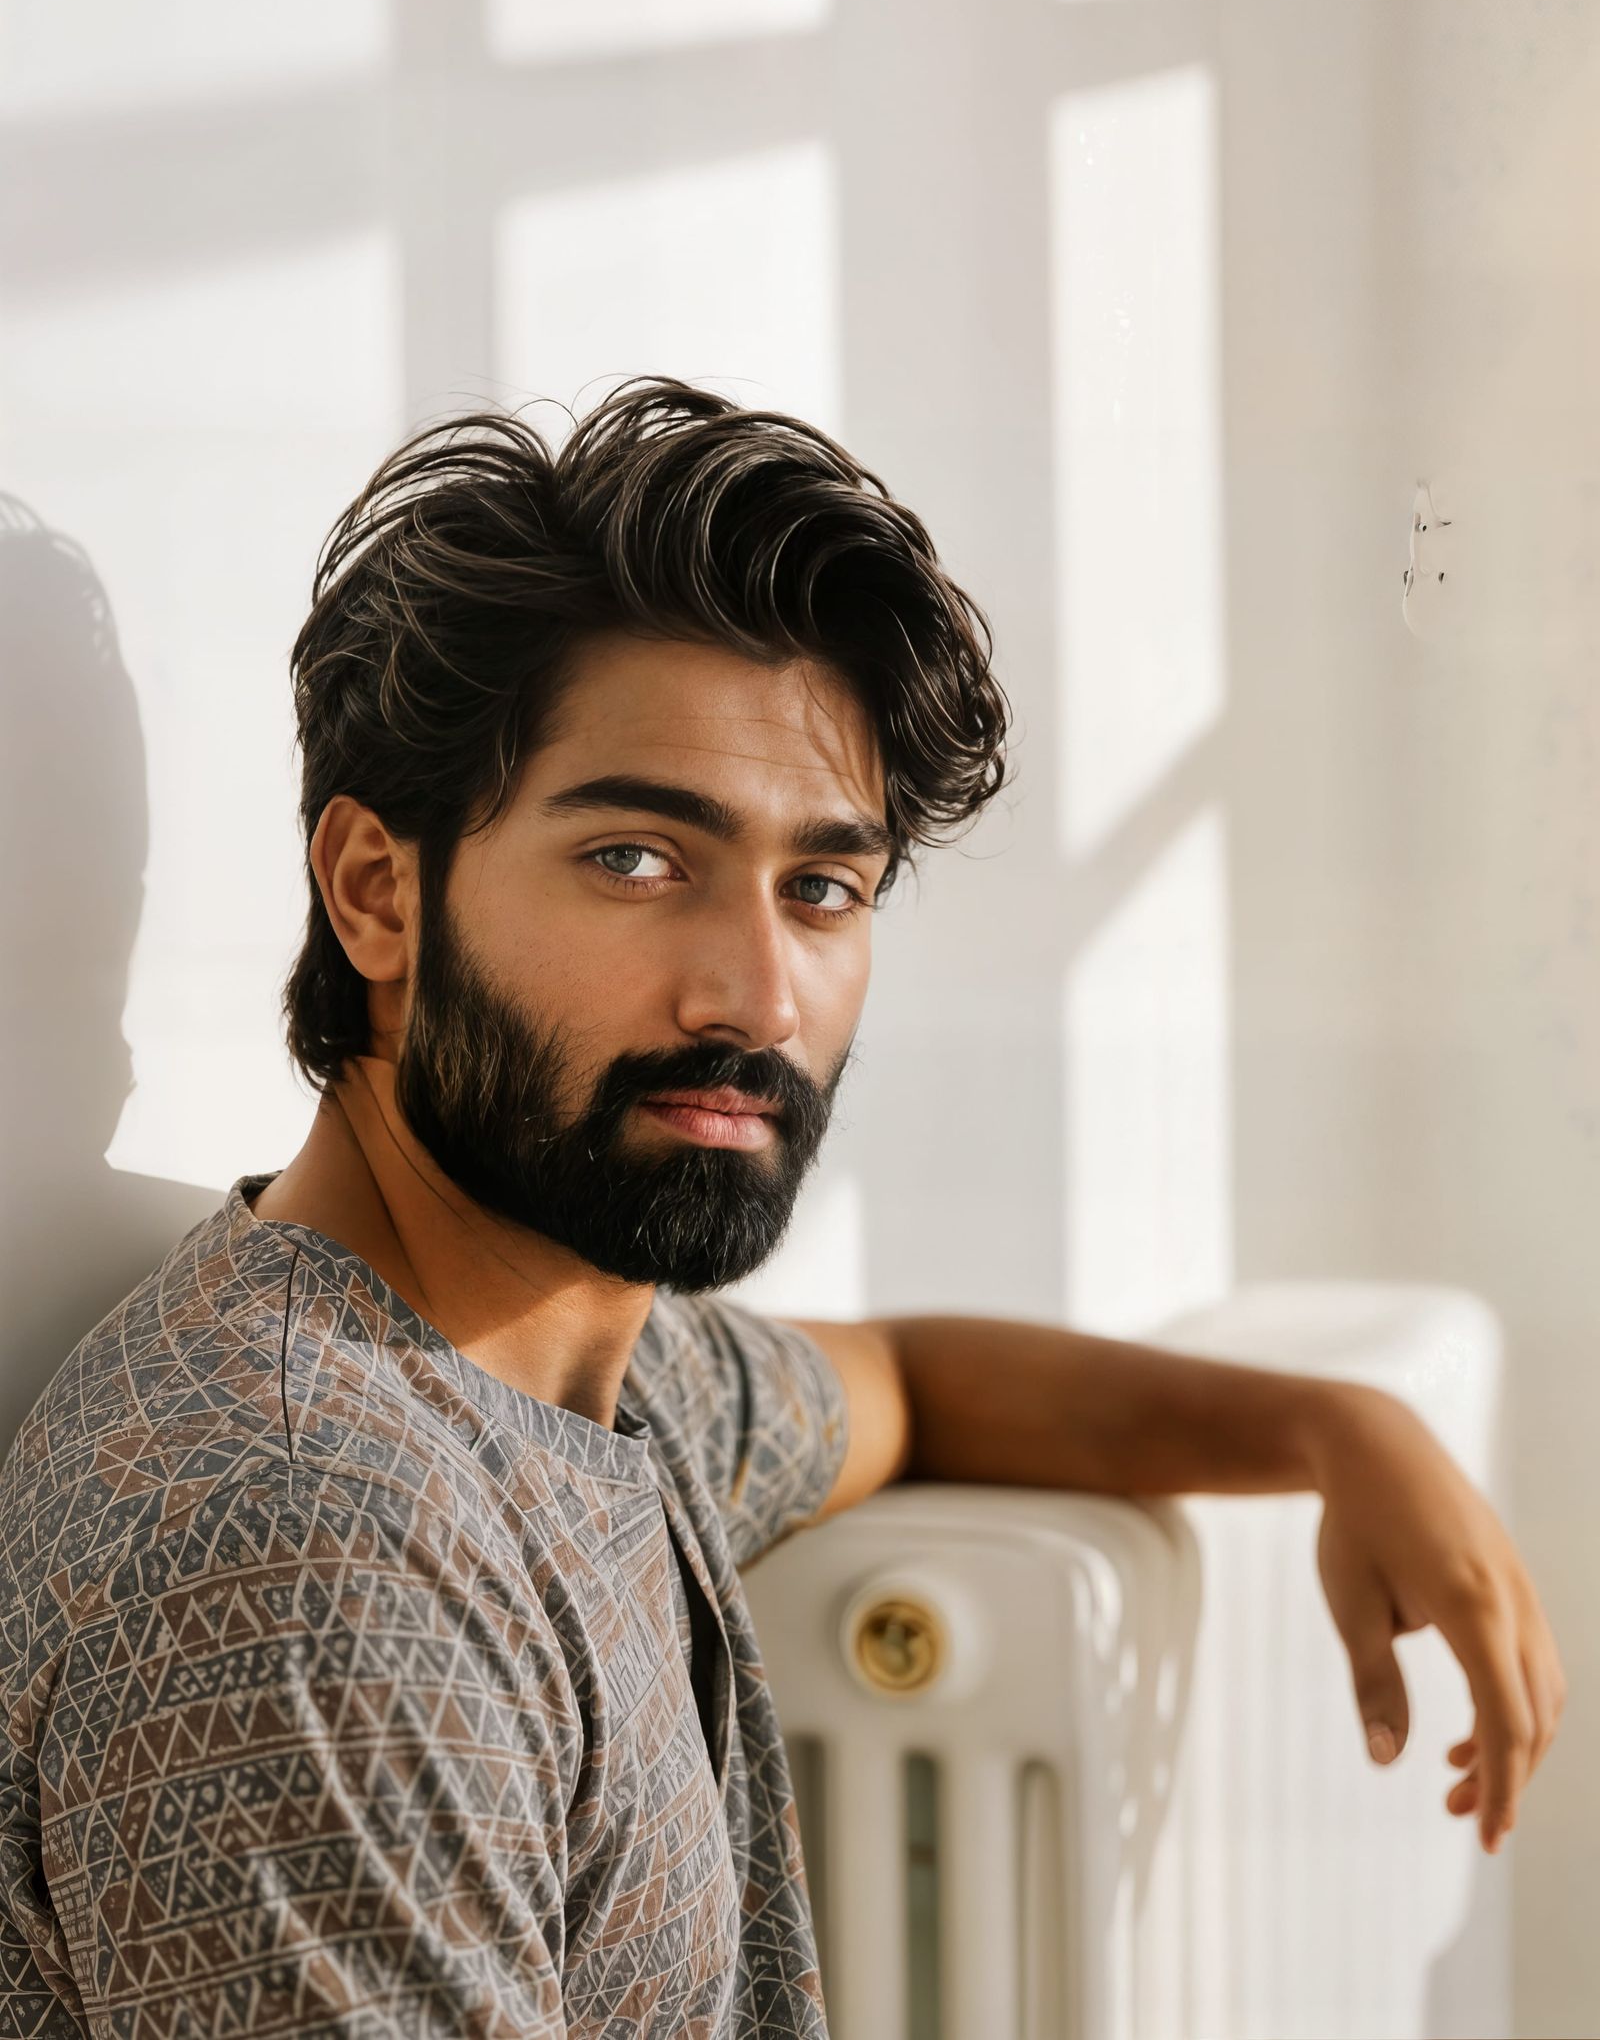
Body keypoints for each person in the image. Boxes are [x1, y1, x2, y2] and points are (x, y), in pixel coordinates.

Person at [0, 378, 1564, 2037]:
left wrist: (1332, 1427)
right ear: (378, 892)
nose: (755, 998)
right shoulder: (316, 1552)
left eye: (822, 887)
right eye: (637, 860)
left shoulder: (558, 1361)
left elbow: (905, 1386)